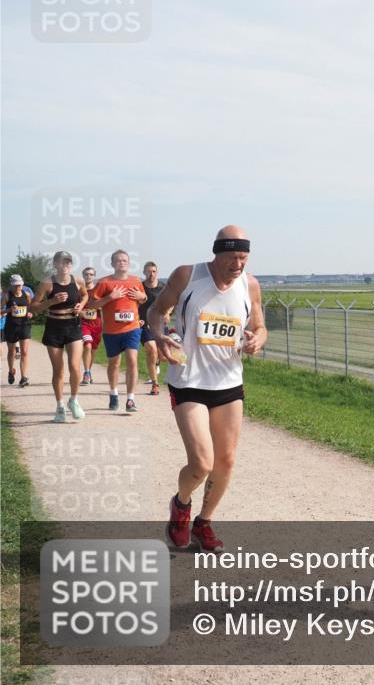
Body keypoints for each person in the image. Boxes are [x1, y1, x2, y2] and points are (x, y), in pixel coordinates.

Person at [149, 226, 267, 553]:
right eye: (232, 257)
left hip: (228, 381)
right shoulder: (187, 276)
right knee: (202, 462)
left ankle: (204, 523)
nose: (238, 265)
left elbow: (259, 325)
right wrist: (160, 336)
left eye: (244, 258)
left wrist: (257, 339)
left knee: (225, 461)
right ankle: (181, 505)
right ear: (217, 253)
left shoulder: (250, 285)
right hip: (188, 379)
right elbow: (156, 311)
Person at [30, 251, 88, 422]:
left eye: (68, 262)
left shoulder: (78, 281)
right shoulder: (47, 283)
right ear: (55, 264)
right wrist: (51, 302)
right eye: (62, 262)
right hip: (54, 327)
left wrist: (81, 305)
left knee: (75, 367)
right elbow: (33, 307)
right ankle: (60, 406)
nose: (65, 265)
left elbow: (85, 294)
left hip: (73, 326)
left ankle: (74, 400)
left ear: (71, 264)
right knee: (58, 370)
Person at [88, 250, 146, 413]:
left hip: (132, 328)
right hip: (111, 331)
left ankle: (130, 399)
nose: (122, 263)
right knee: (114, 364)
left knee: (132, 360)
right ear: (112, 264)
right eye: (118, 260)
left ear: (129, 263)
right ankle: (113, 394)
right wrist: (110, 297)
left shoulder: (136, 280)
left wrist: (141, 296)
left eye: (125, 260)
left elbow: (143, 298)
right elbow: (91, 305)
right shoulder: (104, 282)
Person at [139, 261, 166, 395]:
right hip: (144, 324)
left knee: (162, 354)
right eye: (149, 271)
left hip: (160, 324)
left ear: (157, 273)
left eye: (154, 271)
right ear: (144, 272)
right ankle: (155, 384)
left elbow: (172, 302)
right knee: (151, 350)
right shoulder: (139, 287)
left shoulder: (163, 287)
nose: (151, 274)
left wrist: (168, 313)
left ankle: (157, 363)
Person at [3, 275, 33, 387]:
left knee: (24, 352)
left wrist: (30, 313)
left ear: (22, 284)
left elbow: (31, 307)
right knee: (12, 351)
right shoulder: (7, 296)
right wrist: (9, 309)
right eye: (15, 285)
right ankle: (11, 371)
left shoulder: (27, 295)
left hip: (25, 325)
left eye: (19, 285)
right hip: (11, 326)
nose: (17, 287)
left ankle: (23, 377)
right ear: (11, 285)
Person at [79, 267, 102, 385]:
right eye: (86, 274)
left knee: (92, 350)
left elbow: (105, 305)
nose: (88, 276)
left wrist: (101, 306)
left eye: (91, 274)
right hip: (83, 324)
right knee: (87, 345)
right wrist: (80, 312)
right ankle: (87, 372)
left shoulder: (99, 291)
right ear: (83, 275)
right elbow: (74, 307)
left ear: (94, 276)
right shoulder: (79, 291)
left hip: (97, 325)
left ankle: (88, 371)